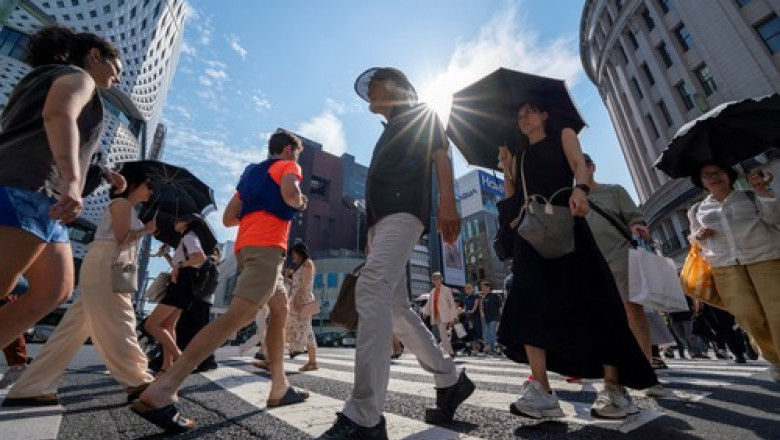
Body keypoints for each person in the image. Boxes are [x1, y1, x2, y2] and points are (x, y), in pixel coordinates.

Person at [317, 67, 474, 440]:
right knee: (395, 307)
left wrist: (448, 203)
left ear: (399, 88)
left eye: (376, 85)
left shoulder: (422, 114)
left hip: (405, 214)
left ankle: (364, 417)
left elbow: (441, 155)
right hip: (382, 225)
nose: (369, 92)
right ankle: (449, 378)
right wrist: (370, 235)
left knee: (371, 289)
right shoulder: (387, 132)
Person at [132, 131, 310, 433]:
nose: (297, 158)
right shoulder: (288, 166)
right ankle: (163, 390)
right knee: (236, 318)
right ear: (290, 149)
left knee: (279, 310)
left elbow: (229, 218)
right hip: (268, 247)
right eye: (297, 153)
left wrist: (258, 212)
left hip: (246, 246)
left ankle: (280, 386)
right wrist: (300, 201)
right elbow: (291, 195)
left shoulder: (252, 173)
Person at [496, 100, 657, 420]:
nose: (523, 118)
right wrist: (506, 168)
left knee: (597, 301)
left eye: (529, 110)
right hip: (532, 234)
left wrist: (580, 189)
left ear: (544, 113)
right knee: (529, 303)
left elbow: (578, 164)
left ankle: (614, 388)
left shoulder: (563, 134)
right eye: (519, 115)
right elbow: (512, 199)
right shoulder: (519, 153)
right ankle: (541, 390)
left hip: (568, 223)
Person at [0, 25, 125, 350]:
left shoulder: (47, 78)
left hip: (44, 197)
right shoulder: (77, 76)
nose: (119, 78)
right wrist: (71, 180)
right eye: (117, 68)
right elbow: (58, 114)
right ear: (95, 55)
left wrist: (97, 172)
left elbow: (40, 130)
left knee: (55, 289)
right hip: (27, 187)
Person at [3, 168, 156, 407]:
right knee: (120, 317)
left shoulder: (129, 209)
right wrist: (147, 230)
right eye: (148, 185)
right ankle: (137, 378)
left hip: (113, 265)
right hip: (107, 263)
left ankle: (33, 386)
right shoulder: (122, 205)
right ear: (135, 185)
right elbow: (121, 237)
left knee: (72, 330)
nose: (151, 190)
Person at [688, 162, 779, 381]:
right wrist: (699, 235)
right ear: (701, 181)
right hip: (725, 266)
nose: (714, 177)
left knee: (777, 313)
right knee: (748, 315)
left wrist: (763, 192)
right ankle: (773, 357)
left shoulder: (749, 196)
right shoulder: (697, 210)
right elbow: (695, 241)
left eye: (718, 172)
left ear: (728, 175)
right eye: (707, 175)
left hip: (764, 257)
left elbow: (774, 219)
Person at [144, 215, 207, 374]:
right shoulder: (185, 239)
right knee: (167, 325)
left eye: (178, 220)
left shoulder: (189, 237)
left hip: (182, 284)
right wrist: (166, 255)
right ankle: (166, 367)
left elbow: (200, 257)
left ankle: (181, 359)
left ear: (186, 222)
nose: (174, 222)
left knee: (151, 325)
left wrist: (179, 264)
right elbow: (179, 266)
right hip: (183, 282)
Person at [285, 242, 319, 372]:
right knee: (306, 329)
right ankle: (311, 360)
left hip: (302, 300)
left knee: (305, 328)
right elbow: (296, 284)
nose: (292, 255)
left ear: (299, 252)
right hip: (297, 299)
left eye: (293, 252)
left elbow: (304, 284)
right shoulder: (300, 266)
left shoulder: (307, 263)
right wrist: (288, 278)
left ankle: (302, 354)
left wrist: (297, 300)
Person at [421, 272, 458, 357]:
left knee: (444, 334)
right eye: (434, 279)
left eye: (437, 279)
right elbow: (429, 303)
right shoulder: (432, 291)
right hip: (437, 315)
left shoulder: (446, 290)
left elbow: (452, 303)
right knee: (443, 334)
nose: (436, 281)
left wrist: (454, 317)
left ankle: (448, 352)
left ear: (441, 279)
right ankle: (450, 351)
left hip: (446, 315)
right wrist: (425, 312)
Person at [479, 281, 503, 356]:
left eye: (484, 287)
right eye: (482, 288)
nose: (482, 289)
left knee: (492, 333)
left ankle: (494, 349)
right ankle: (491, 348)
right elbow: (482, 308)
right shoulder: (483, 297)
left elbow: (500, 307)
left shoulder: (495, 296)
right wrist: (482, 315)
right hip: (487, 318)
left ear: (488, 287)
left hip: (494, 317)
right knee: (487, 334)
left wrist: (501, 317)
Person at [462, 283, 482, 356]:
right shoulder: (466, 298)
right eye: (466, 289)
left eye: (469, 288)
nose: (467, 290)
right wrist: (463, 311)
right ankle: (472, 349)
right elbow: (464, 307)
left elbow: (475, 305)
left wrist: (472, 311)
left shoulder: (476, 297)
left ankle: (476, 349)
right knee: (469, 333)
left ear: (472, 289)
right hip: (468, 317)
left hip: (475, 317)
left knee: (476, 334)